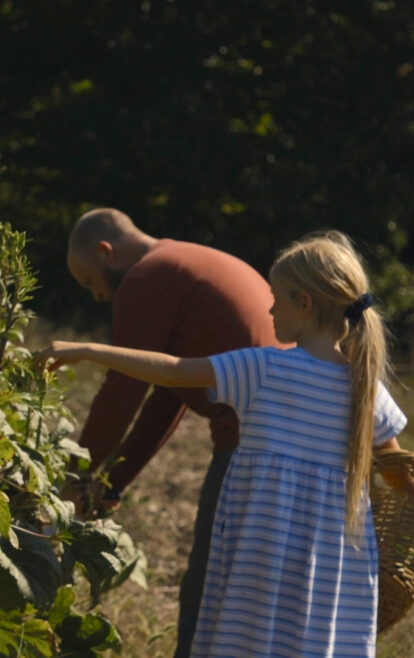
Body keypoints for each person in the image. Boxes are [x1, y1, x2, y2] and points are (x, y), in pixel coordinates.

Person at [37, 230, 414, 656]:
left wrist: (89, 350)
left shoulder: (261, 369)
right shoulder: (367, 390)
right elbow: (410, 482)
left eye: (276, 298)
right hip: (331, 568)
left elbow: (171, 371)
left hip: (260, 552)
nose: (270, 309)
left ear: (306, 305)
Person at [60, 207, 284, 657]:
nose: (98, 297)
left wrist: (69, 476)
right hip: (285, 440)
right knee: (250, 594)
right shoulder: (186, 262)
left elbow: (124, 387)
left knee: (208, 592)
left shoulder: (149, 277)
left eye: (91, 282)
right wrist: (111, 483)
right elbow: (169, 395)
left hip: (252, 447)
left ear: (107, 252)